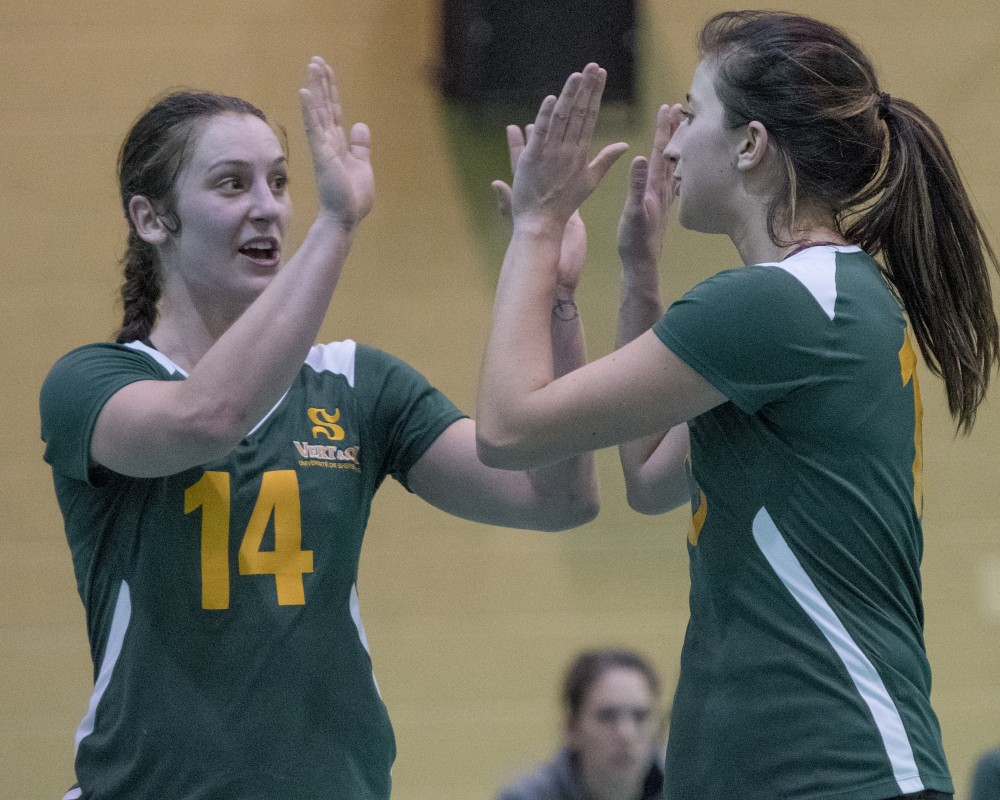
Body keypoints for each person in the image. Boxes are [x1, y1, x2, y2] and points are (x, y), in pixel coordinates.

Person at [39, 57, 599, 800]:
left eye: (278, 181)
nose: (267, 207)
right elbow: (210, 417)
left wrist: (555, 296)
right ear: (151, 219)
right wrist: (337, 224)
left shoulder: (358, 385)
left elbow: (555, 497)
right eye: (232, 184)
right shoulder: (93, 385)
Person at [476, 10, 1000, 799]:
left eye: (691, 115)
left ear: (752, 144)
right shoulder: (822, 302)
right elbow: (649, 476)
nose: (672, 143)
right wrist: (639, 274)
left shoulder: (781, 306)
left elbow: (508, 428)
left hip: (831, 774)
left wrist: (537, 223)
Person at [496, 649, 665, 800]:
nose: (626, 733)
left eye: (640, 717)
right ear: (572, 728)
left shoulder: (679, 791)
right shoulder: (525, 796)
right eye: (607, 716)